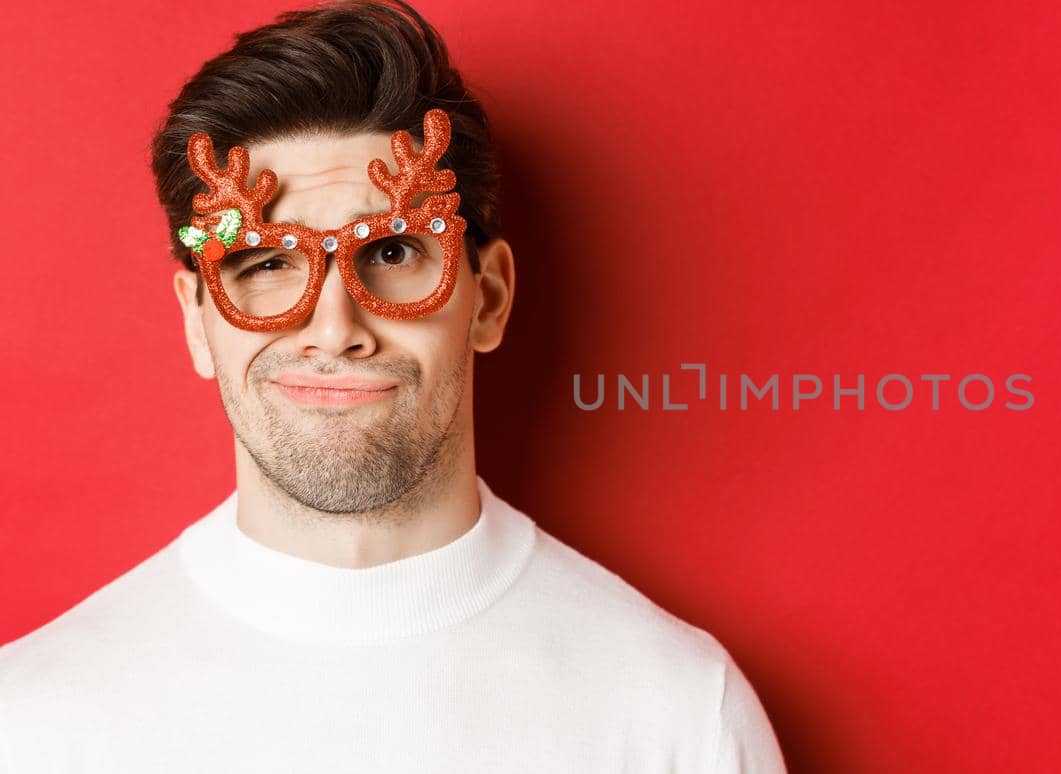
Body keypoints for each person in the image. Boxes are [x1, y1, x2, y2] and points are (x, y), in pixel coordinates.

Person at [0, 2, 786, 771]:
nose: (334, 328)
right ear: (198, 322)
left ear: (492, 297)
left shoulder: (678, 714)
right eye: (268, 265)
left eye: (394, 252)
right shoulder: (35, 723)